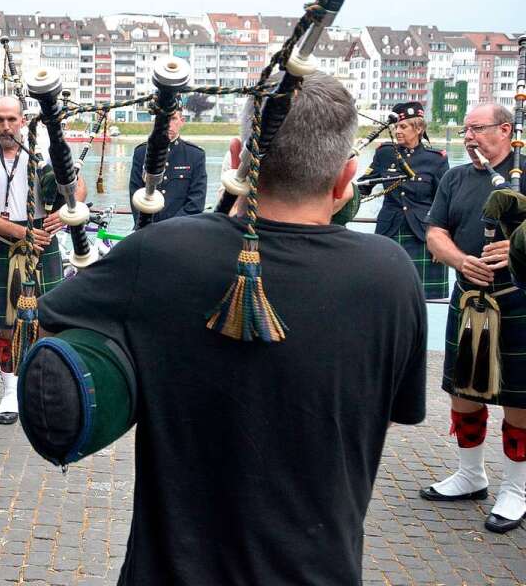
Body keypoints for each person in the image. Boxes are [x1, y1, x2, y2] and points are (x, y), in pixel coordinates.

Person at [29, 73, 426, 585]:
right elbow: (386, 414)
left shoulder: (161, 253)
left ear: (237, 157)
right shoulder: (391, 275)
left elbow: (54, 323)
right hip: (321, 570)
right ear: (346, 176)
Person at [420, 103, 526, 533]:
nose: (469, 137)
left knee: (520, 401)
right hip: (469, 296)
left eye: (477, 129)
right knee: (464, 390)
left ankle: (516, 490)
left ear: (506, 129)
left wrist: (518, 245)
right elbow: (434, 232)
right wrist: (462, 261)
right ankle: (471, 475)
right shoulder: (455, 177)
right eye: (465, 129)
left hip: (521, 297)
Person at [0, 95, 85, 425]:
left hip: (44, 245)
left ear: (23, 121)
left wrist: (65, 212)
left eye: (11, 119)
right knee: (7, 326)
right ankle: (10, 393)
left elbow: (79, 188)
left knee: (48, 324)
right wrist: (22, 234)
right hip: (6, 246)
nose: (6, 126)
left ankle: (42, 390)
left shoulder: (43, 157)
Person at [357, 102, 450, 298]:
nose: (397, 131)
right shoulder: (385, 153)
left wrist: (441, 240)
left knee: (419, 300)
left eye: (403, 126)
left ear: (419, 128)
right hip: (389, 233)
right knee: (384, 296)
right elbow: (364, 186)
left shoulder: (436, 159)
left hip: (423, 237)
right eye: (396, 126)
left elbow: (444, 203)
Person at [128, 108, 207, 225]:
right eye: (163, 119)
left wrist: (169, 229)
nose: (168, 124)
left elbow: (196, 202)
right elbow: (135, 194)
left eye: (173, 119)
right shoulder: (141, 153)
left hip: (180, 231)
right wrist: (144, 226)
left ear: (182, 121)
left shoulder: (195, 155)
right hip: (146, 229)